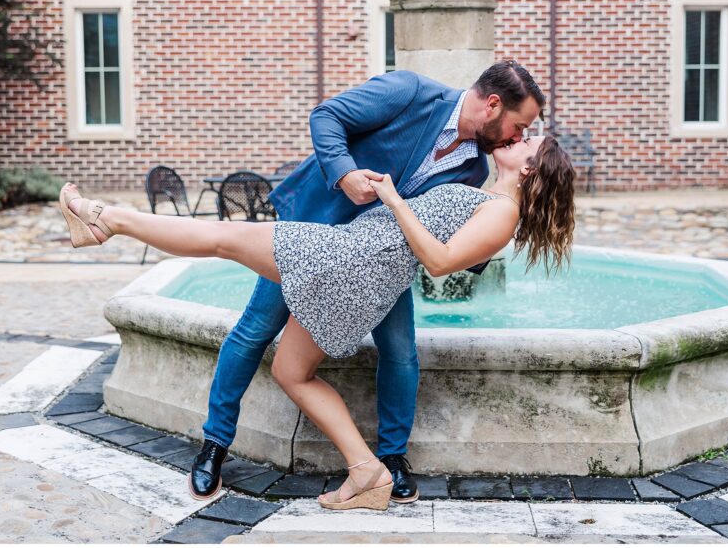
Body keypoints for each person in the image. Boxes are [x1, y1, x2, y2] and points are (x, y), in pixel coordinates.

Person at [57, 131, 576, 510]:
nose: (518, 136)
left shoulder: (504, 213)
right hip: (357, 263)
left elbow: (440, 262)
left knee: (223, 238)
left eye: (529, 140)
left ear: (530, 168)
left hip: (352, 259)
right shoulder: (487, 192)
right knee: (290, 371)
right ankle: (366, 469)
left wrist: (396, 202)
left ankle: (106, 221)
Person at [184, 61, 547, 505]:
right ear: (493, 105)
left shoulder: (475, 169)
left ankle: (391, 458)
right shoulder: (411, 91)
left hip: (379, 266)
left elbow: (451, 236)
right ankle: (214, 445)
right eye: (518, 126)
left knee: (400, 350)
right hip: (312, 233)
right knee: (255, 330)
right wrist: (345, 172)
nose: (516, 137)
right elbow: (327, 116)